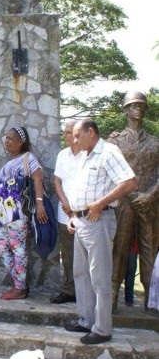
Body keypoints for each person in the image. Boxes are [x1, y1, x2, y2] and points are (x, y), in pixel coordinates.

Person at [64, 119, 137, 345]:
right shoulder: (86, 156)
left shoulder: (108, 152)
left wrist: (98, 204)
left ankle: (103, 329)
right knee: (81, 274)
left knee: (99, 277)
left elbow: (130, 182)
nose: (74, 141)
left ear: (91, 132)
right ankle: (86, 321)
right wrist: (74, 217)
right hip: (82, 221)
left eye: (78, 136)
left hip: (99, 219)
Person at [107, 91, 159, 312]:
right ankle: (112, 296)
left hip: (151, 203)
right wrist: (130, 194)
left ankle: (151, 299)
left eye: (141, 106)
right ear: (125, 110)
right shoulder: (114, 142)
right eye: (133, 105)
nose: (138, 109)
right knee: (119, 248)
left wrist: (149, 196)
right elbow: (110, 172)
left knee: (149, 251)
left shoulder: (155, 142)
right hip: (125, 202)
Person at [0, 127, 48, 300]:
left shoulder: (27, 158)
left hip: (17, 214)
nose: (7, 140)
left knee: (18, 249)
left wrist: (40, 205)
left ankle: (19, 288)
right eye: (6, 138)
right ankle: (20, 283)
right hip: (4, 216)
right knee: (0, 246)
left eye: (11, 138)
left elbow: (38, 179)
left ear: (21, 142)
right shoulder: (12, 160)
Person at [50, 121, 82, 304]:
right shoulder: (63, 155)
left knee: (85, 257)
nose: (66, 135)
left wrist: (76, 207)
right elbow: (57, 181)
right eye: (65, 132)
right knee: (68, 255)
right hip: (65, 214)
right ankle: (68, 290)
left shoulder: (88, 154)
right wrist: (65, 203)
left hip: (86, 214)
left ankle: (85, 292)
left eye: (69, 132)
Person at [124, 238, 139, 307]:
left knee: (130, 274)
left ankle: (129, 300)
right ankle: (113, 299)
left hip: (133, 248)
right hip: (121, 246)